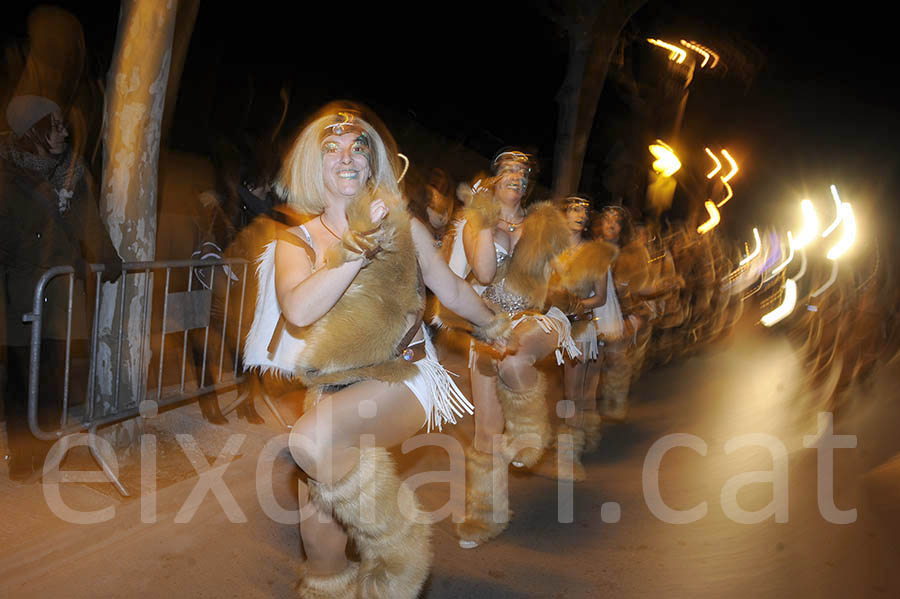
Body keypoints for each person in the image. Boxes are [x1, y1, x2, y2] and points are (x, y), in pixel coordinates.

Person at [243, 102, 509, 598]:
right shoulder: (293, 242)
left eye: (358, 148)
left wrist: (493, 324)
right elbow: (299, 310)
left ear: (373, 164)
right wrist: (355, 249)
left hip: (401, 378)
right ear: (313, 165)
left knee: (311, 441)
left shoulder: (405, 228)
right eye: (333, 149)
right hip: (330, 391)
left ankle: (401, 543)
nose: (347, 158)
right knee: (318, 538)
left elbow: (449, 289)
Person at [444, 148, 578, 548]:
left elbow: (566, 277)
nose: (515, 175)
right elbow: (483, 272)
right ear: (494, 177)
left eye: (522, 171)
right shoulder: (476, 221)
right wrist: (483, 216)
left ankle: (530, 431)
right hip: (488, 325)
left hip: (535, 320)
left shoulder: (544, 224)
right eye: (507, 169)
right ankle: (486, 516)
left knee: (516, 351)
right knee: (486, 431)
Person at [1, 95, 121, 480]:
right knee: (21, 377)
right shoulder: (6, 175)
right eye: (54, 124)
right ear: (32, 132)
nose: (64, 131)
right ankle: (22, 458)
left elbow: (89, 222)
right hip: (18, 293)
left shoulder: (73, 172)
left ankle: (49, 451)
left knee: (53, 375)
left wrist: (107, 256)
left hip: (61, 294)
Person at [538, 195, 617, 481]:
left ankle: (569, 453)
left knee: (575, 391)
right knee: (545, 386)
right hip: (551, 328)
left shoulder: (596, 254)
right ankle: (547, 437)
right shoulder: (552, 251)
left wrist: (574, 306)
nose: (580, 214)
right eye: (574, 209)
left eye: (584, 210)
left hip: (580, 330)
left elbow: (600, 297)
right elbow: (539, 289)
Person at [591, 204, 649, 422]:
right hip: (591, 315)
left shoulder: (632, 256)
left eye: (616, 222)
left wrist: (634, 316)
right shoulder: (590, 249)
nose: (611, 225)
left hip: (619, 316)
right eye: (607, 220)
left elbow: (637, 290)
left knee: (616, 360)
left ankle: (614, 401)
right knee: (589, 363)